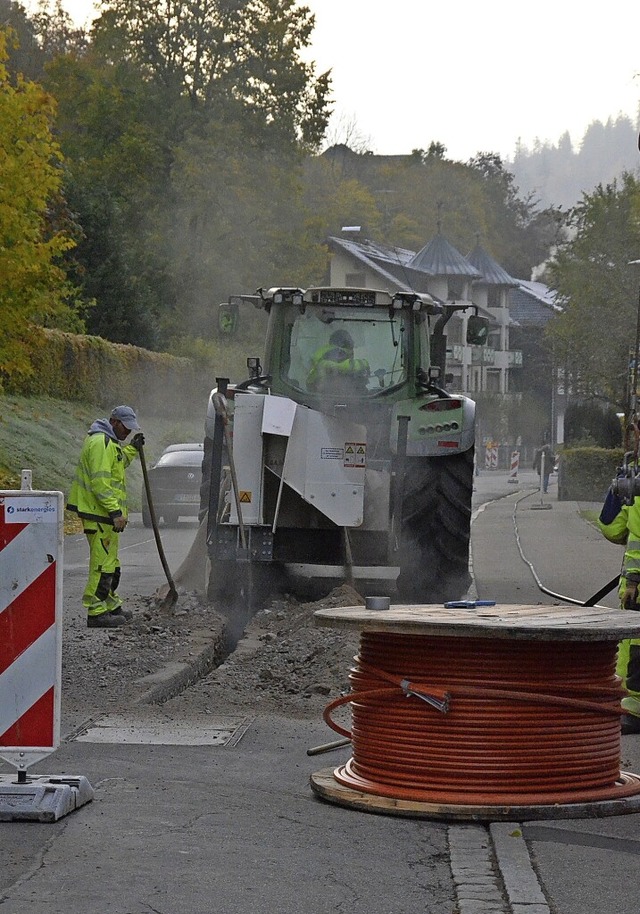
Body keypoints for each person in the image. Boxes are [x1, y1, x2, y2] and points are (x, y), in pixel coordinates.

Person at [67, 405, 145, 628]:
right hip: (100, 514)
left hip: (105, 517)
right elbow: (100, 483)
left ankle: (110, 604)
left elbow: (118, 463)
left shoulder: (109, 443)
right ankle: (96, 612)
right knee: (101, 564)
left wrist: (131, 449)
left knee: (111, 564)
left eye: (131, 429)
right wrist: (115, 511)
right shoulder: (100, 442)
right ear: (114, 422)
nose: (127, 432)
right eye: (125, 428)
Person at [598, 484, 640, 734]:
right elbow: (614, 529)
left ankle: (634, 708)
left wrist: (633, 581)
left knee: (635, 648)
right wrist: (614, 496)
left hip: (637, 588)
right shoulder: (635, 495)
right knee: (629, 648)